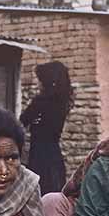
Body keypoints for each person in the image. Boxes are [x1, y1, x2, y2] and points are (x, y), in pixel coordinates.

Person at [19, 61, 73, 195]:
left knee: (40, 190)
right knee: (54, 189)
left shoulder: (41, 101)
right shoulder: (62, 101)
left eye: (40, 80)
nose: (38, 84)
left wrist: (35, 122)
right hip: (54, 153)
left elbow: (23, 120)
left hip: (40, 153)